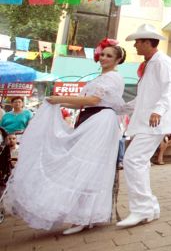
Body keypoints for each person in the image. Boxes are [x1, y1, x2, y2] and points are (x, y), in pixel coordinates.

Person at [1, 39, 126, 235]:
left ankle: (84, 217)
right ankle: (84, 215)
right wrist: (57, 103)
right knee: (84, 166)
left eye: (109, 56)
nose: (103, 58)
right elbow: (82, 103)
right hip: (90, 118)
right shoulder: (99, 78)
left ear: (118, 60)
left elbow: (94, 100)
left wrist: (59, 98)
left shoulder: (113, 78)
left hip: (100, 120)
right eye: (102, 54)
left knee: (86, 165)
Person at [117, 24, 171, 228]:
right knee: (138, 162)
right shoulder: (150, 63)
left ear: (147, 42)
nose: (135, 45)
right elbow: (143, 98)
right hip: (148, 121)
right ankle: (150, 208)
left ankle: (142, 209)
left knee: (133, 160)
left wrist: (158, 110)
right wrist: (120, 108)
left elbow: (170, 88)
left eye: (138, 42)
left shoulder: (163, 61)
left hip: (155, 122)